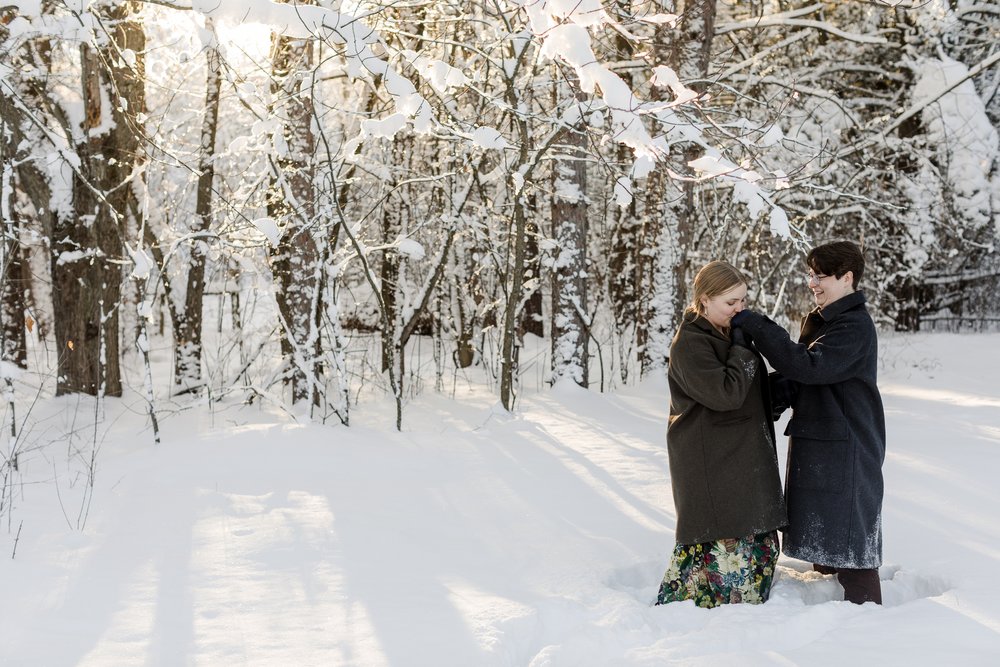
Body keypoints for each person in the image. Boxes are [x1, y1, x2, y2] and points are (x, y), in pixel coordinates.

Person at [731, 241, 886, 605]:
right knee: (826, 538)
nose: (812, 283)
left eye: (821, 276)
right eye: (810, 274)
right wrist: (756, 400)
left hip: (847, 447)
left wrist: (756, 324)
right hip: (822, 442)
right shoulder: (824, 320)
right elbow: (802, 379)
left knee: (849, 544)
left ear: (847, 277)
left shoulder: (854, 327)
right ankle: (828, 623)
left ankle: (873, 631)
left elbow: (808, 366)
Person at [655, 261, 787, 609]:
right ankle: (706, 610)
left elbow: (743, 387)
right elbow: (726, 393)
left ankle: (741, 601)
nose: (740, 309)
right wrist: (744, 349)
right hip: (710, 459)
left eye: (743, 300)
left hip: (736, 454)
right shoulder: (690, 345)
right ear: (704, 299)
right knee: (721, 533)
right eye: (731, 303)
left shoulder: (723, 332)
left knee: (753, 534)